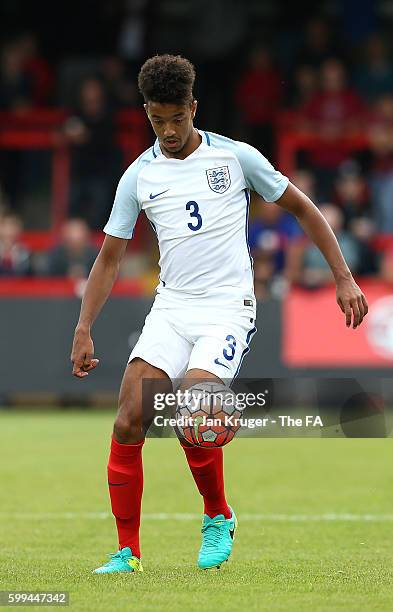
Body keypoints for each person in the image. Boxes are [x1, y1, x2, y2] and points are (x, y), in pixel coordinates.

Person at [70, 54, 368, 575]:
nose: (166, 130)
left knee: (194, 411)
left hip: (228, 307)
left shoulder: (235, 158)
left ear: (194, 108)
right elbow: (111, 256)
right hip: (172, 306)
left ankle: (217, 516)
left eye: (175, 118)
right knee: (127, 420)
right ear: (146, 112)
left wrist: (342, 276)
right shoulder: (139, 175)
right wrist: (83, 326)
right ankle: (127, 552)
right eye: (155, 119)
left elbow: (302, 207)